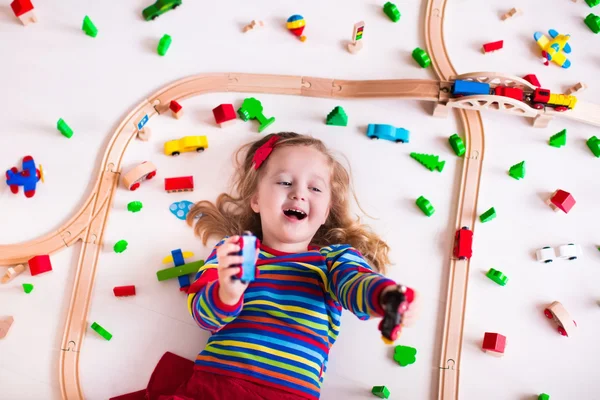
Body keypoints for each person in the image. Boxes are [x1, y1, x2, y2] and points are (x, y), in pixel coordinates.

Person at [116, 132, 417, 400]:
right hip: (215, 386)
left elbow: (356, 283)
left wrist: (385, 296)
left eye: (315, 188)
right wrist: (227, 293)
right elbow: (202, 315)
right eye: (285, 182)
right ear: (257, 200)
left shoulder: (332, 261)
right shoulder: (232, 251)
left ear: (326, 211)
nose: (299, 192)